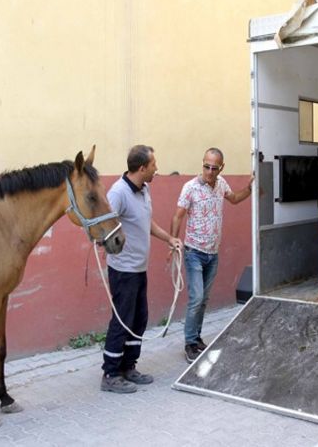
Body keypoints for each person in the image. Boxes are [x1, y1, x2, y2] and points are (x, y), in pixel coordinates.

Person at [101, 144, 183, 394]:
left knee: (139, 319)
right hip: (123, 269)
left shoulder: (144, 190)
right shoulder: (118, 193)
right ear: (141, 168)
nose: (157, 169)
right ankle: (110, 374)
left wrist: (170, 238)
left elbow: (147, 223)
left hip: (139, 268)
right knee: (122, 320)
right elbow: (104, 225)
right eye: (153, 165)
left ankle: (129, 367)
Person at [171, 147, 253, 363]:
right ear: (202, 164)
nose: (209, 171)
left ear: (221, 168)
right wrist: (173, 242)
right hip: (193, 252)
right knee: (196, 298)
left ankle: (197, 339)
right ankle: (190, 343)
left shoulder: (221, 184)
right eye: (206, 166)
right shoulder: (190, 188)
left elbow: (234, 199)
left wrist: (250, 189)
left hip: (212, 253)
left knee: (204, 299)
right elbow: (178, 216)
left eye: (214, 168)